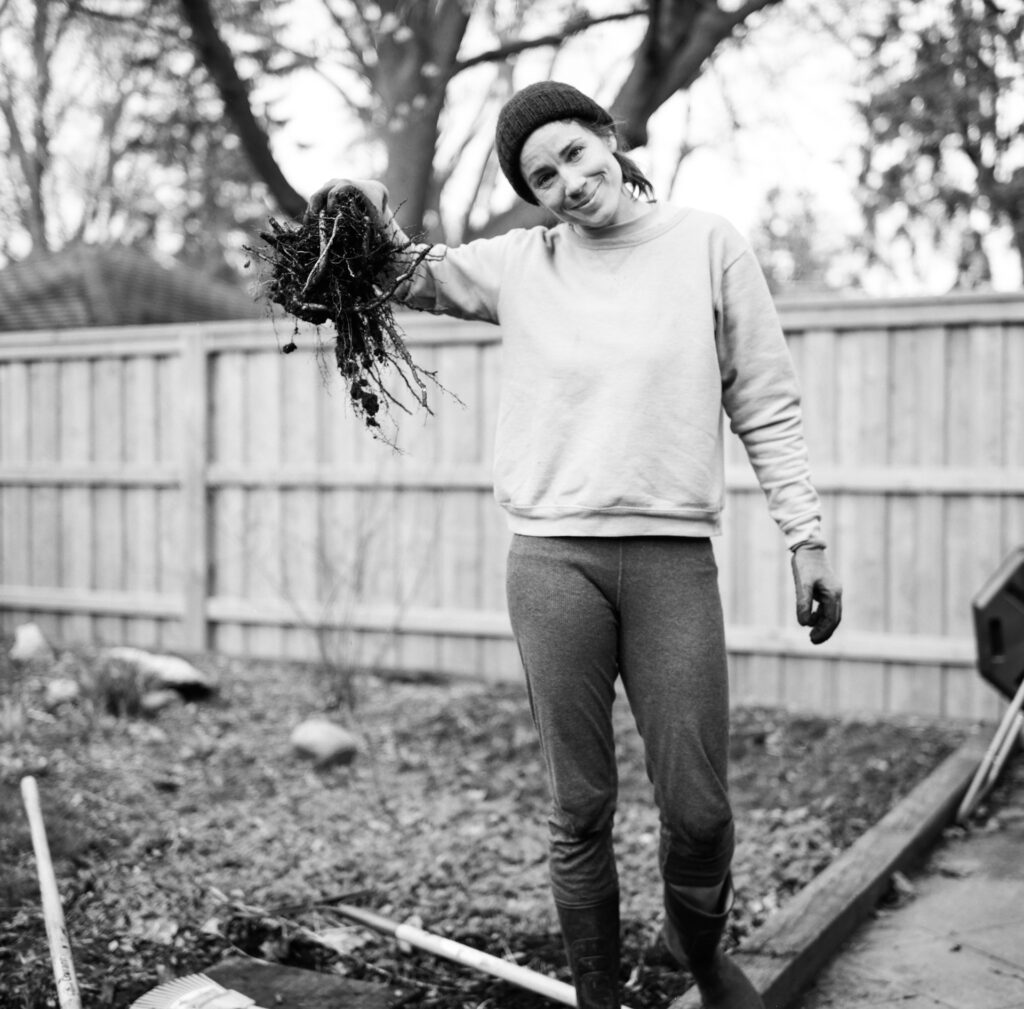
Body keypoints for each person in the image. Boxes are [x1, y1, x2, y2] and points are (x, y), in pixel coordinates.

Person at [306, 80, 842, 1009]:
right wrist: (344, 211)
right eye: (542, 175)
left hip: (671, 559)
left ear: (608, 135)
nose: (568, 180)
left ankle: (700, 948)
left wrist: (807, 537)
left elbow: (765, 399)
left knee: (702, 810)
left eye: (575, 153)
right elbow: (400, 268)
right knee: (580, 806)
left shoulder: (707, 244)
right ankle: (598, 994)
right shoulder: (522, 264)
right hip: (553, 562)